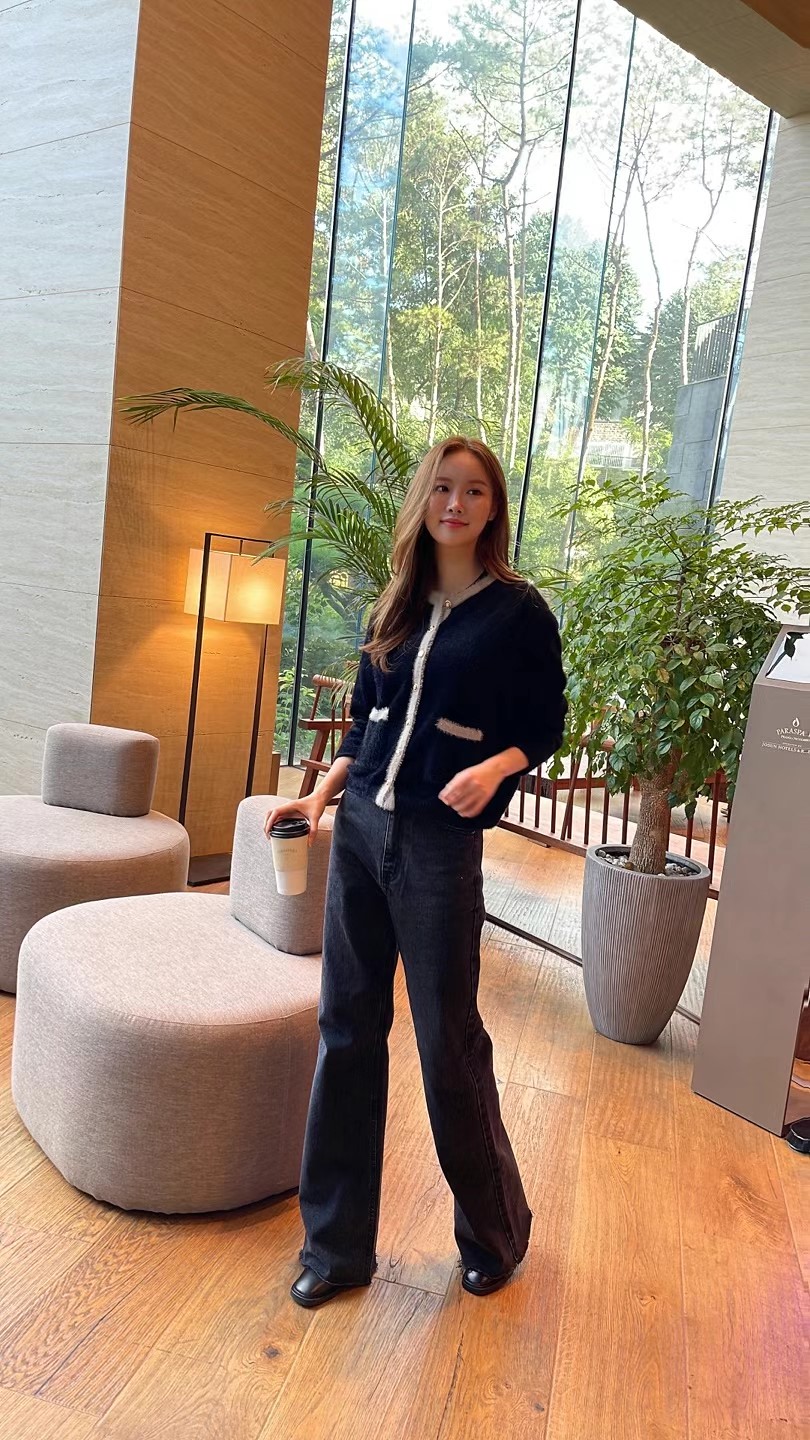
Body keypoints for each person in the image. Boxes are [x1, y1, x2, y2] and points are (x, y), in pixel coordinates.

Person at [265, 436, 567, 1309]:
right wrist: (318, 798)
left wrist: (495, 767)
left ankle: (496, 1233)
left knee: (446, 1039)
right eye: (442, 488)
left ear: (493, 508)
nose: (456, 504)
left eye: (474, 491)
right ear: (422, 501)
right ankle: (335, 1248)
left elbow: (545, 723)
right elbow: (365, 722)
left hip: (439, 844)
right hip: (360, 831)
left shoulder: (517, 612)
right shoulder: (395, 603)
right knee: (346, 1030)